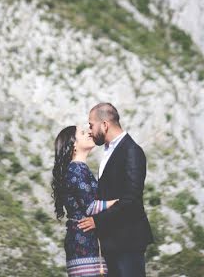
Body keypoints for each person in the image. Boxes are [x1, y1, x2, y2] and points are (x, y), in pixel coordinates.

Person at [78, 103, 153, 277]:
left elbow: (131, 200)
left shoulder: (132, 151)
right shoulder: (109, 151)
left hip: (128, 242)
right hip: (112, 242)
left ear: (104, 124)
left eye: (91, 125)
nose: (89, 130)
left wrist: (98, 221)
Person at [52, 125, 117, 276]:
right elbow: (90, 207)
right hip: (83, 243)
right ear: (73, 144)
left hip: (85, 240)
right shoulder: (77, 169)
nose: (88, 133)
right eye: (82, 133)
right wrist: (118, 202)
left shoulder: (79, 168)